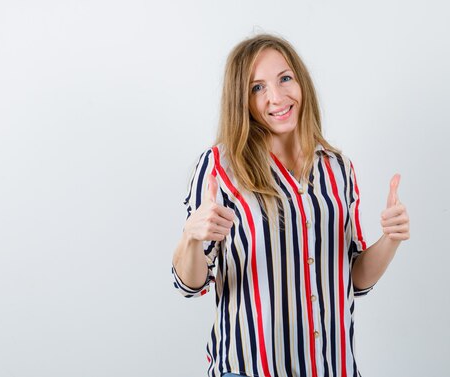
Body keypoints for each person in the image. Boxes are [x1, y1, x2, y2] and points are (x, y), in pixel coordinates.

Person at [172, 34, 410, 377]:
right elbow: (189, 283)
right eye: (257, 88)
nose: (276, 97)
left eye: (285, 78)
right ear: (241, 100)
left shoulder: (336, 169)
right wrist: (191, 237)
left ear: (301, 81)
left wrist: (391, 239)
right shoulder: (220, 167)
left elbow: (354, 280)